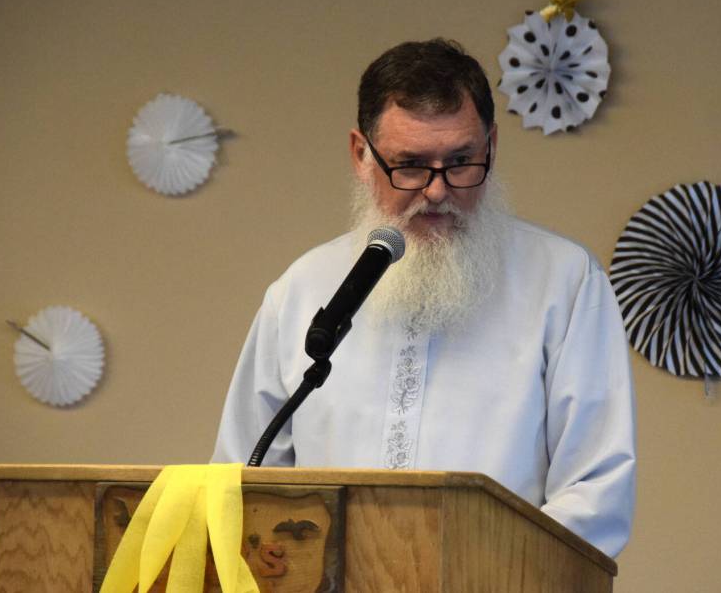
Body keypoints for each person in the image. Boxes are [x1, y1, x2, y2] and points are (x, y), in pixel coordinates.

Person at [212, 38, 636, 558]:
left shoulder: (565, 283)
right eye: (409, 165)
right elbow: (244, 476)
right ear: (360, 155)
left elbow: (595, 492)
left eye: (460, 161)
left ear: (492, 148)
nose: (437, 191)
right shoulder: (303, 289)